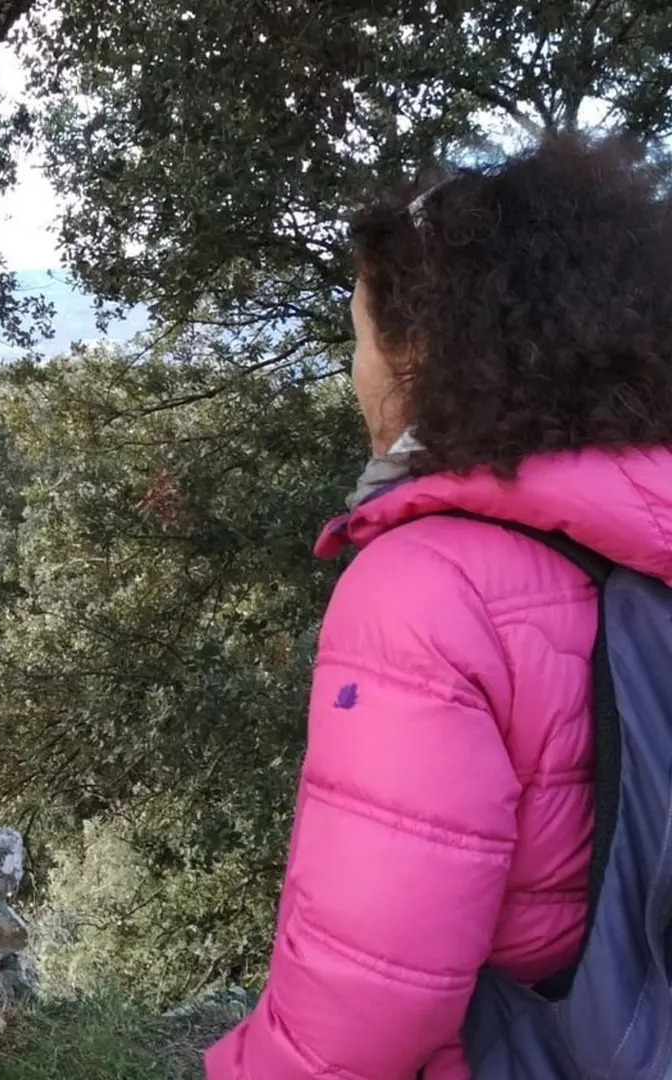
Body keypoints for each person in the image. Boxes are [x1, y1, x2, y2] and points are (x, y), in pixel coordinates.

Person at [205, 132, 672, 1079]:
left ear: (420, 351)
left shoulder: (429, 591)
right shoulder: (646, 526)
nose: (355, 372)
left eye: (359, 335)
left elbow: (363, 1008)